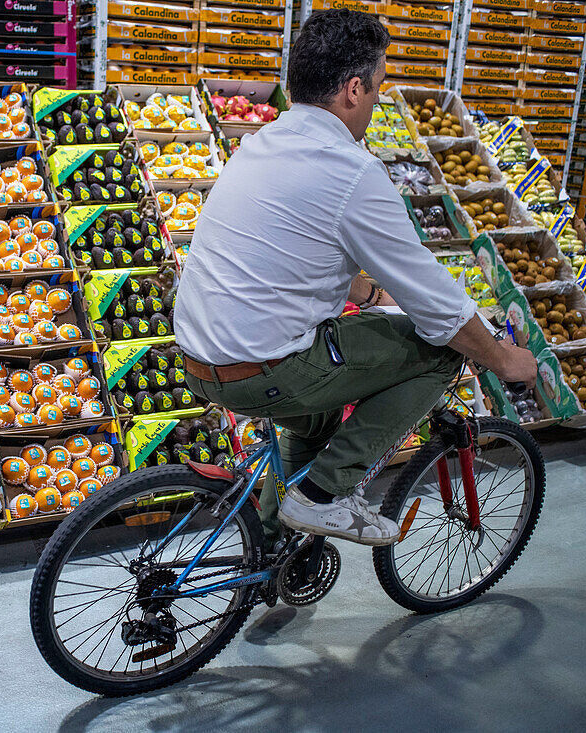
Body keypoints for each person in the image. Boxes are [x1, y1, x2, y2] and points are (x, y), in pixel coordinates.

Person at [173, 9, 537, 549]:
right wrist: (508, 361)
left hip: (199, 359)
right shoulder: (351, 169)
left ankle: (275, 545)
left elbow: (291, 254)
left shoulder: (260, 142)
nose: (374, 101)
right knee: (440, 352)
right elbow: (437, 306)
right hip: (262, 370)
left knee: (319, 420)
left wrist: (369, 293)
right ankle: (323, 498)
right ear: (352, 88)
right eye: (376, 87)